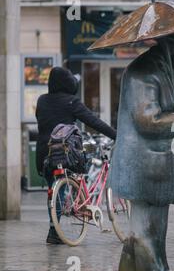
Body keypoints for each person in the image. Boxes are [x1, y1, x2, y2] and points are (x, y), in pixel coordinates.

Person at [110, 29, 174, 271]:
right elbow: (147, 119)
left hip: (162, 162)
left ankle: (130, 270)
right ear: (169, 44)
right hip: (143, 163)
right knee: (149, 224)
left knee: (147, 222)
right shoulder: (144, 71)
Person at [35, 67, 117, 244]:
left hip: (45, 154)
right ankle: (71, 212)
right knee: (67, 183)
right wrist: (117, 135)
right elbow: (94, 122)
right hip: (65, 153)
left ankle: (53, 229)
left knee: (53, 191)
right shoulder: (71, 102)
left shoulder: (42, 101)